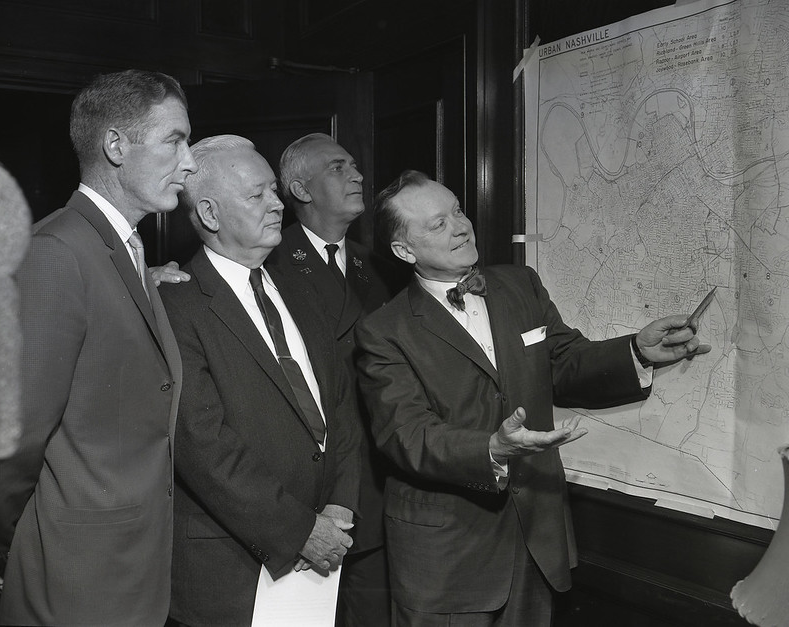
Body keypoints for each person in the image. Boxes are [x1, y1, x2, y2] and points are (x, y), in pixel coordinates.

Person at [355, 170, 711, 626]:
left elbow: (563, 362)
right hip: (447, 559)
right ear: (404, 251)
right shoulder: (384, 331)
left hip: (536, 540)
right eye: (437, 224)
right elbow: (405, 434)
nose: (461, 226)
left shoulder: (520, 284)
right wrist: (491, 449)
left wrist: (636, 351)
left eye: (458, 210)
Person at [0, 69, 195, 626]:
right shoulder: (56, 253)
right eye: (174, 140)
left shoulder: (123, 253)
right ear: (115, 146)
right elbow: (12, 442)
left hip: (127, 574)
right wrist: (14, 556)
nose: (190, 161)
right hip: (71, 581)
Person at [159, 135, 361, 626]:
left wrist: (338, 505)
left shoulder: (302, 286)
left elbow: (341, 404)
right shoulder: (174, 306)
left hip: (325, 559)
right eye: (257, 195)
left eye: (274, 190)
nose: (277, 205)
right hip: (229, 572)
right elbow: (202, 446)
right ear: (209, 213)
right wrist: (299, 531)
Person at [269, 133, 405, 626]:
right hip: (309, 490)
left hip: (377, 479)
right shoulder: (265, 261)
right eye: (337, 167)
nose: (358, 175)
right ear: (301, 190)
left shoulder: (380, 264)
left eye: (354, 164)